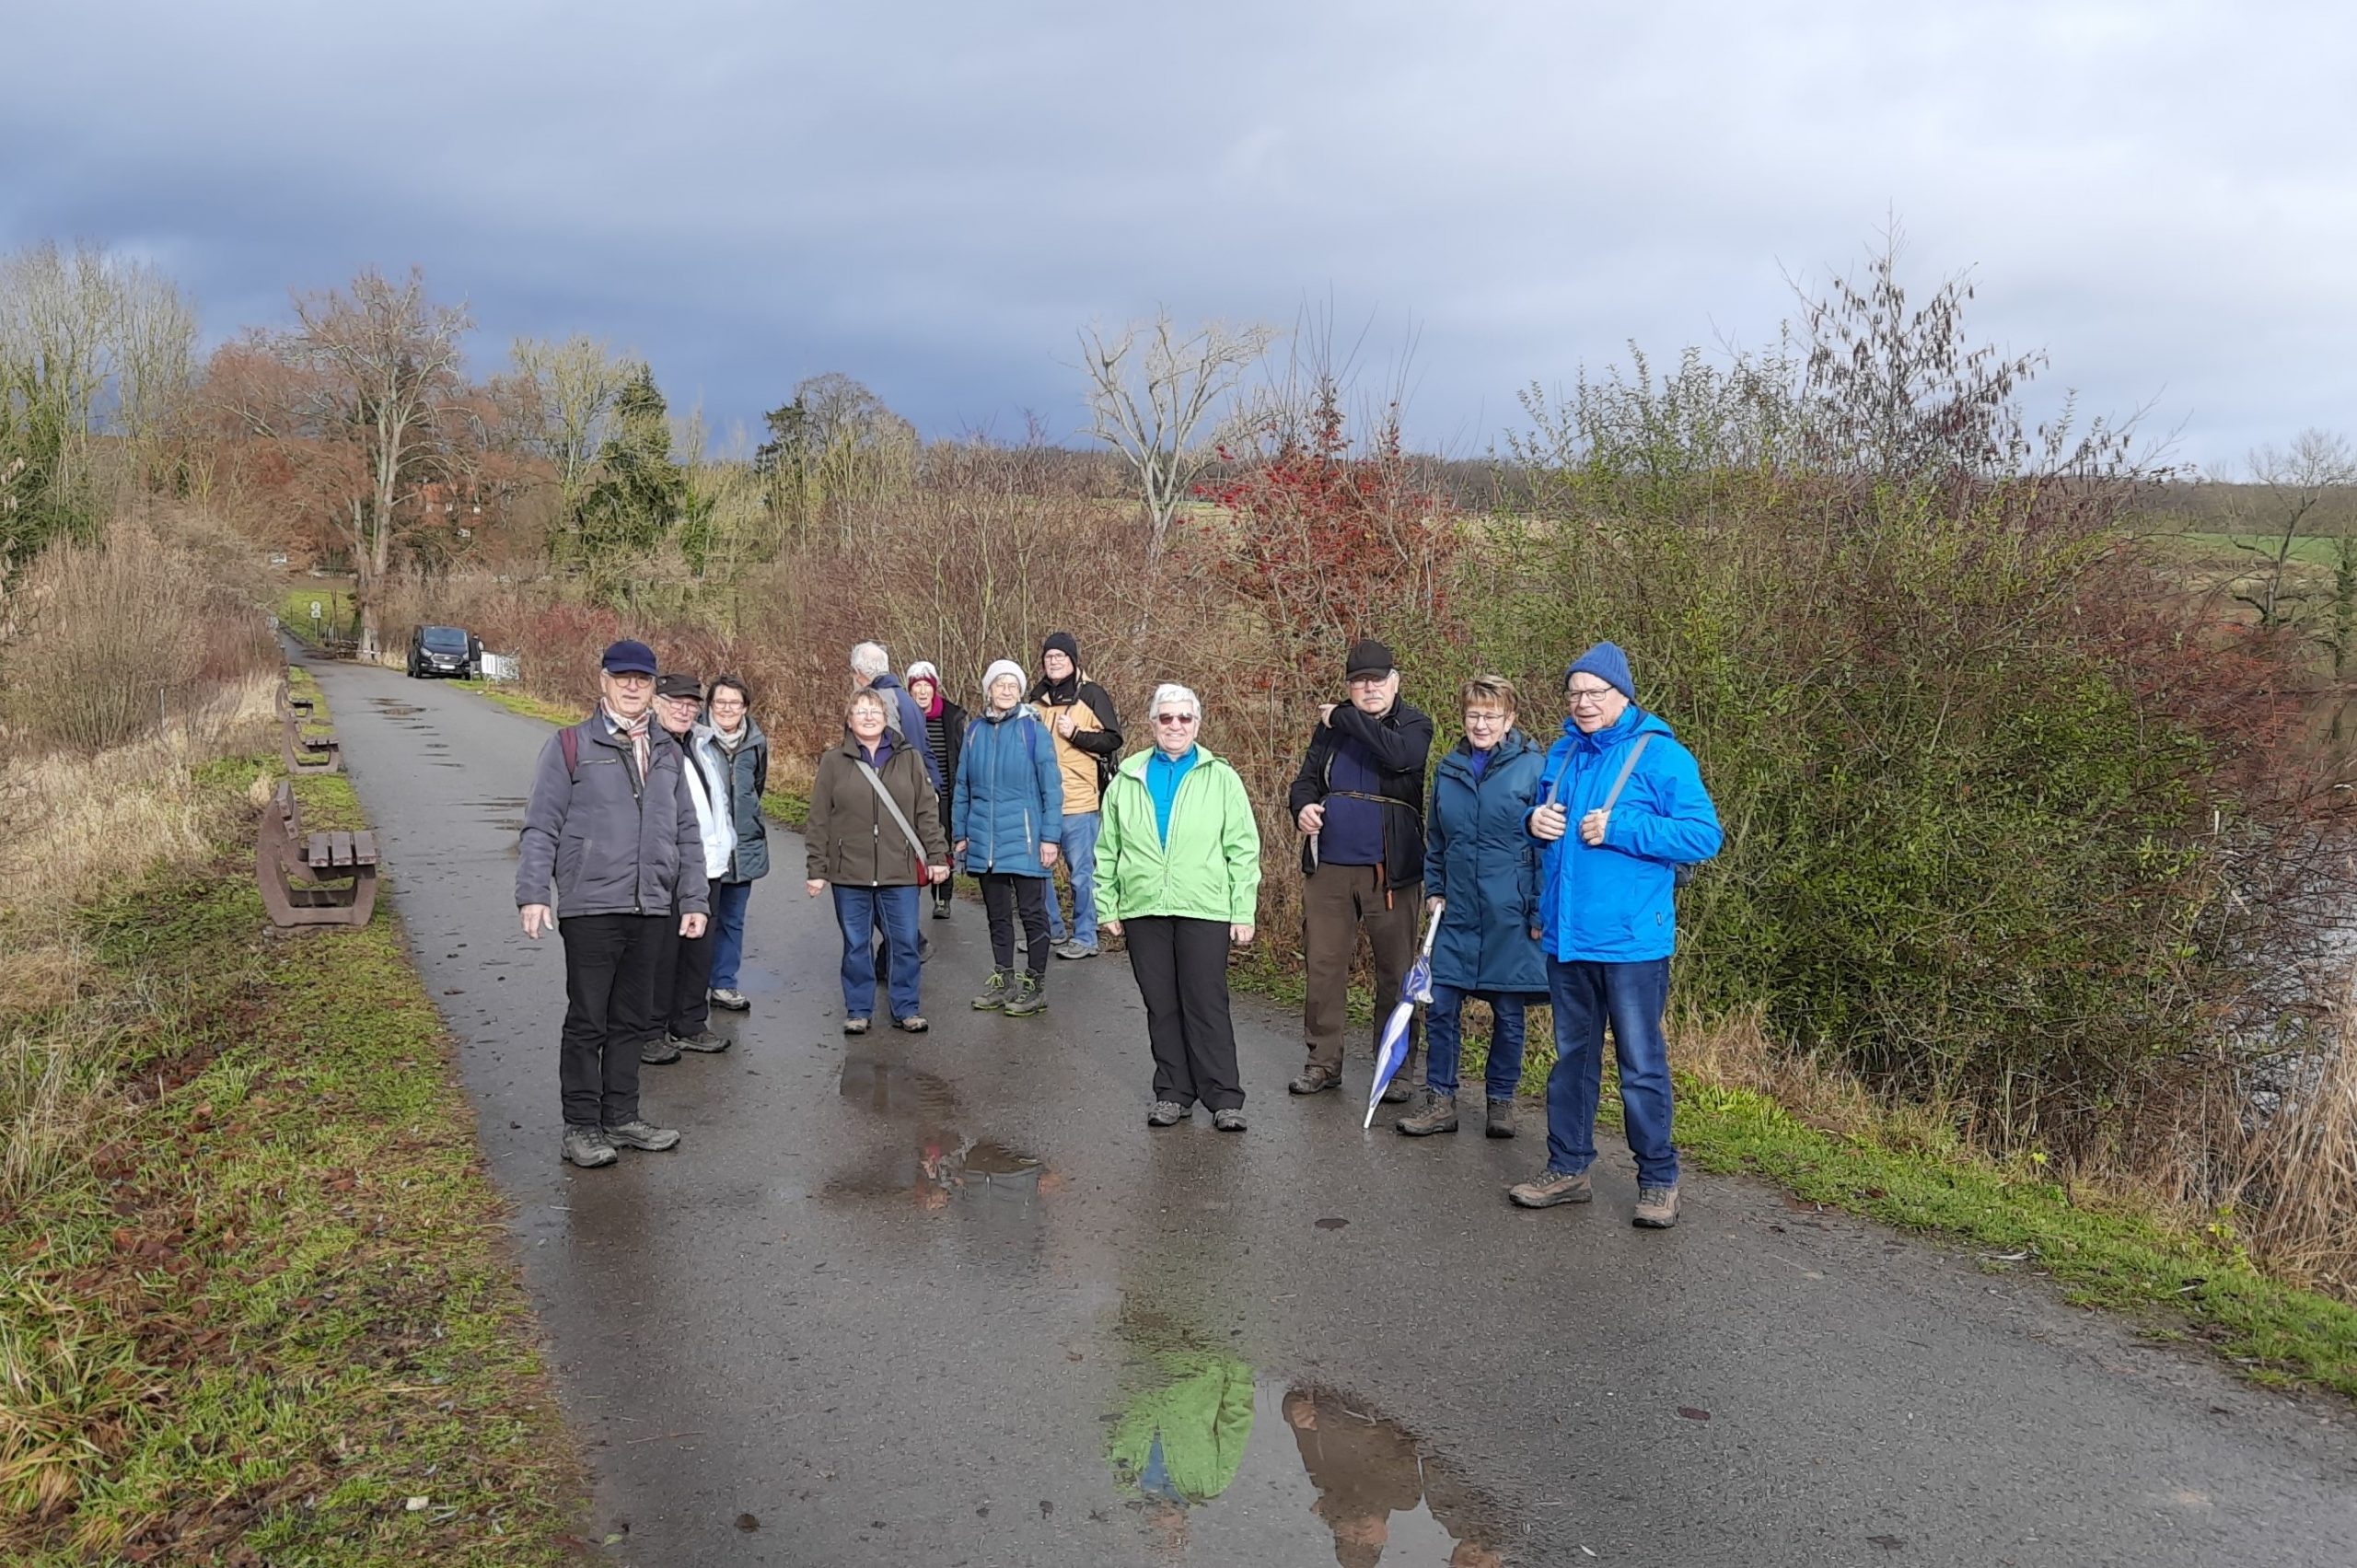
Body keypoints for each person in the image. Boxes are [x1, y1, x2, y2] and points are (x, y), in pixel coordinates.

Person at [1511, 641, 1723, 1228]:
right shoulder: (1561, 753)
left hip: (1632, 943)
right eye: (1574, 693)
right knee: (1571, 1060)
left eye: (1593, 693)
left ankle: (1658, 1179)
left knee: (1641, 1065)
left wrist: (1625, 826)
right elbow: (1540, 827)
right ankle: (1569, 1167)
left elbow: (1704, 837)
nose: (1582, 703)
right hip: (1567, 938)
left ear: (1621, 695)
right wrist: (1534, 823)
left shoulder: (1661, 757)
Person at [516, 638, 709, 1169]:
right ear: (603, 680)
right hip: (591, 905)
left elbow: (687, 832)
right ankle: (581, 1126)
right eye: (621, 677)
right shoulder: (570, 744)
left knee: (633, 1020)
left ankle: (622, 1117)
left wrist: (693, 896)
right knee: (588, 1020)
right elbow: (541, 824)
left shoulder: (669, 752)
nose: (631, 686)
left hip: (651, 906)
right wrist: (534, 892)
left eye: (641, 679)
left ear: (652, 686)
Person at [1098, 684, 1260, 1132]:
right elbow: (1107, 847)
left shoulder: (1222, 777)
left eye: (1184, 718)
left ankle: (1224, 1096)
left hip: (1205, 905)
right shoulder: (1127, 778)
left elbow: (1243, 849)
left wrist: (1242, 909)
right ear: (1152, 724)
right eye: (1165, 718)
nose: (1175, 726)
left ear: (1197, 724)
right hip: (1144, 905)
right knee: (1161, 1003)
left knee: (1206, 1001)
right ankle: (1172, 1092)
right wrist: (1106, 903)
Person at [1396, 676, 1549, 1140]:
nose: (1481, 724)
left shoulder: (1536, 769)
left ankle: (1500, 1101)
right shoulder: (1449, 768)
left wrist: (1540, 910)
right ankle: (1440, 1099)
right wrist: (1435, 888)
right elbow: (1438, 839)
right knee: (1440, 1007)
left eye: (1491, 715)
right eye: (1473, 715)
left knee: (1508, 1010)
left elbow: (1547, 846)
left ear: (1510, 719)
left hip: (1511, 911)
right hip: (1457, 910)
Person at [1284, 639, 1435, 1099]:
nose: (1369, 689)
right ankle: (1322, 1061)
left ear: (1396, 681)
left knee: (1395, 972)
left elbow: (1399, 757)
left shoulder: (1414, 724)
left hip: (1390, 870)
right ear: (1349, 686)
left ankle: (1396, 1066)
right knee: (1324, 967)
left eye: (1377, 680)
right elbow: (1305, 779)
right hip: (1328, 865)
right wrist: (1304, 807)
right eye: (1359, 682)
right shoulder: (1328, 731)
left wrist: (1343, 716)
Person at [805, 688, 951, 1033]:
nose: (868, 716)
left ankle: (906, 1008)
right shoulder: (833, 761)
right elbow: (819, 819)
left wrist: (936, 855)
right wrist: (817, 869)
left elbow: (926, 812)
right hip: (849, 872)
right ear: (849, 719)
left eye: (875, 710)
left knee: (904, 942)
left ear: (886, 718)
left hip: (898, 869)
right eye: (860, 711)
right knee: (856, 944)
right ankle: (858, 1009)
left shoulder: (909, 757)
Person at [952, 658, 1062, 1017]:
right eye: (1000, 684)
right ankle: (1004, 978)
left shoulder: (1033, 731)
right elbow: (963, 788)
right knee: (997, 915)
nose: (1006, 690)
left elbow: (1052, 788)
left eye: (1013, 685)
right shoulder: (974, 732)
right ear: (988, 689)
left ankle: (1035, 983)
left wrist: (1050, 837)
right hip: (985, 840)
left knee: (1032, 914)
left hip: (1028, 840)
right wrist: (961, 833)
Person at [639, 671, 737, 1062]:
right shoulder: (646, 746)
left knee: (699, 951)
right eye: (675, 702)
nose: (684, 709)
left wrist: (725, 844)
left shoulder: (701, 743)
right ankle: (649, 1030)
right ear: (656, 704)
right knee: (661, 954)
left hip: (707, 865)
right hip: (666, 867)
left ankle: (689, 1023)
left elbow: (718, 802)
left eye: (691, 703)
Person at [1026, 631, 1124, 959]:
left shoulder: (1092, 694)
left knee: (1083, 874)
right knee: (1040, 873)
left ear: (1073, 660)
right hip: (1040, 801)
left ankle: (1085, 937)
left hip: (1080, 800)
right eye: (1049, 657)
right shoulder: (1035, 699)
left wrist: (1078, 735)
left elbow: (1113, 740)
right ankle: (1050, 930)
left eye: (1060, 657)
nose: (1054, 662)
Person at [702, 674, 768, 1012]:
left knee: (732, 919)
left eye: (734, 703)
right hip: (702, 847)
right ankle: (691, 987)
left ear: (745, 707)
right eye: (720, 702)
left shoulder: (756, 742)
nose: (727, 709)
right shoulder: (694, 738)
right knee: (699, 918)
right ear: (710, 704)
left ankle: (724, 984)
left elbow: (756, 787)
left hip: (743, 845)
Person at [903, 661, 968, 921]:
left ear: (934, 688)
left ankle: (943, 897)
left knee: (942, 842)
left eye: (926, 686)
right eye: (916, 686)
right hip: (913, 791)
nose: (921, 692)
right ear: (910, 690)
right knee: (913, 842)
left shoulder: (951, 716)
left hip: (946, 791)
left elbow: (961, 753)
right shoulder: (903, 716)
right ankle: (911, 892)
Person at [850, 640, 943, 792]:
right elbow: (926, 751)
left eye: (853, 672)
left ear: (860, 672)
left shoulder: (876, 702)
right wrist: (934, 789)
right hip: (915, 789)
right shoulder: (908, 701)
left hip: (893, 793)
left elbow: (887, 752)